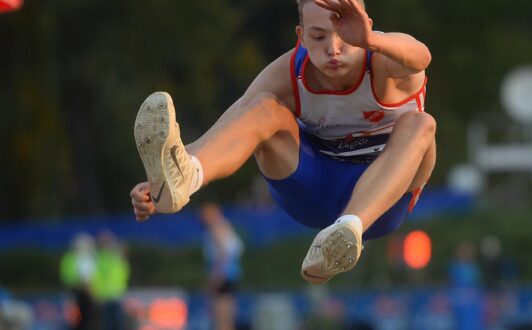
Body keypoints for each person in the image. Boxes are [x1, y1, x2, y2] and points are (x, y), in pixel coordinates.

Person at [130, 0, 435, 284]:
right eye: (318, 38)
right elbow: (232, 127)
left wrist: (371, 41)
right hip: (313, 189)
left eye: (346, 36)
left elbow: (422, 56)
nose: (333, 49)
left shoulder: (386, 62)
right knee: (262, 107)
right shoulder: (288, 73)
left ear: (366, 26)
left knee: (422, 123)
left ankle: (346, 231)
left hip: (381, 205)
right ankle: (187, 177)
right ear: (301, 36)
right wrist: (164, 183)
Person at [198, 202, 244, 330]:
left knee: (221, 317)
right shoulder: (225, 225)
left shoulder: (216, 228)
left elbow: (223, 254)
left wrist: (216, 278)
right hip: (230, 275)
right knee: (227, 315)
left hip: (223, 275)